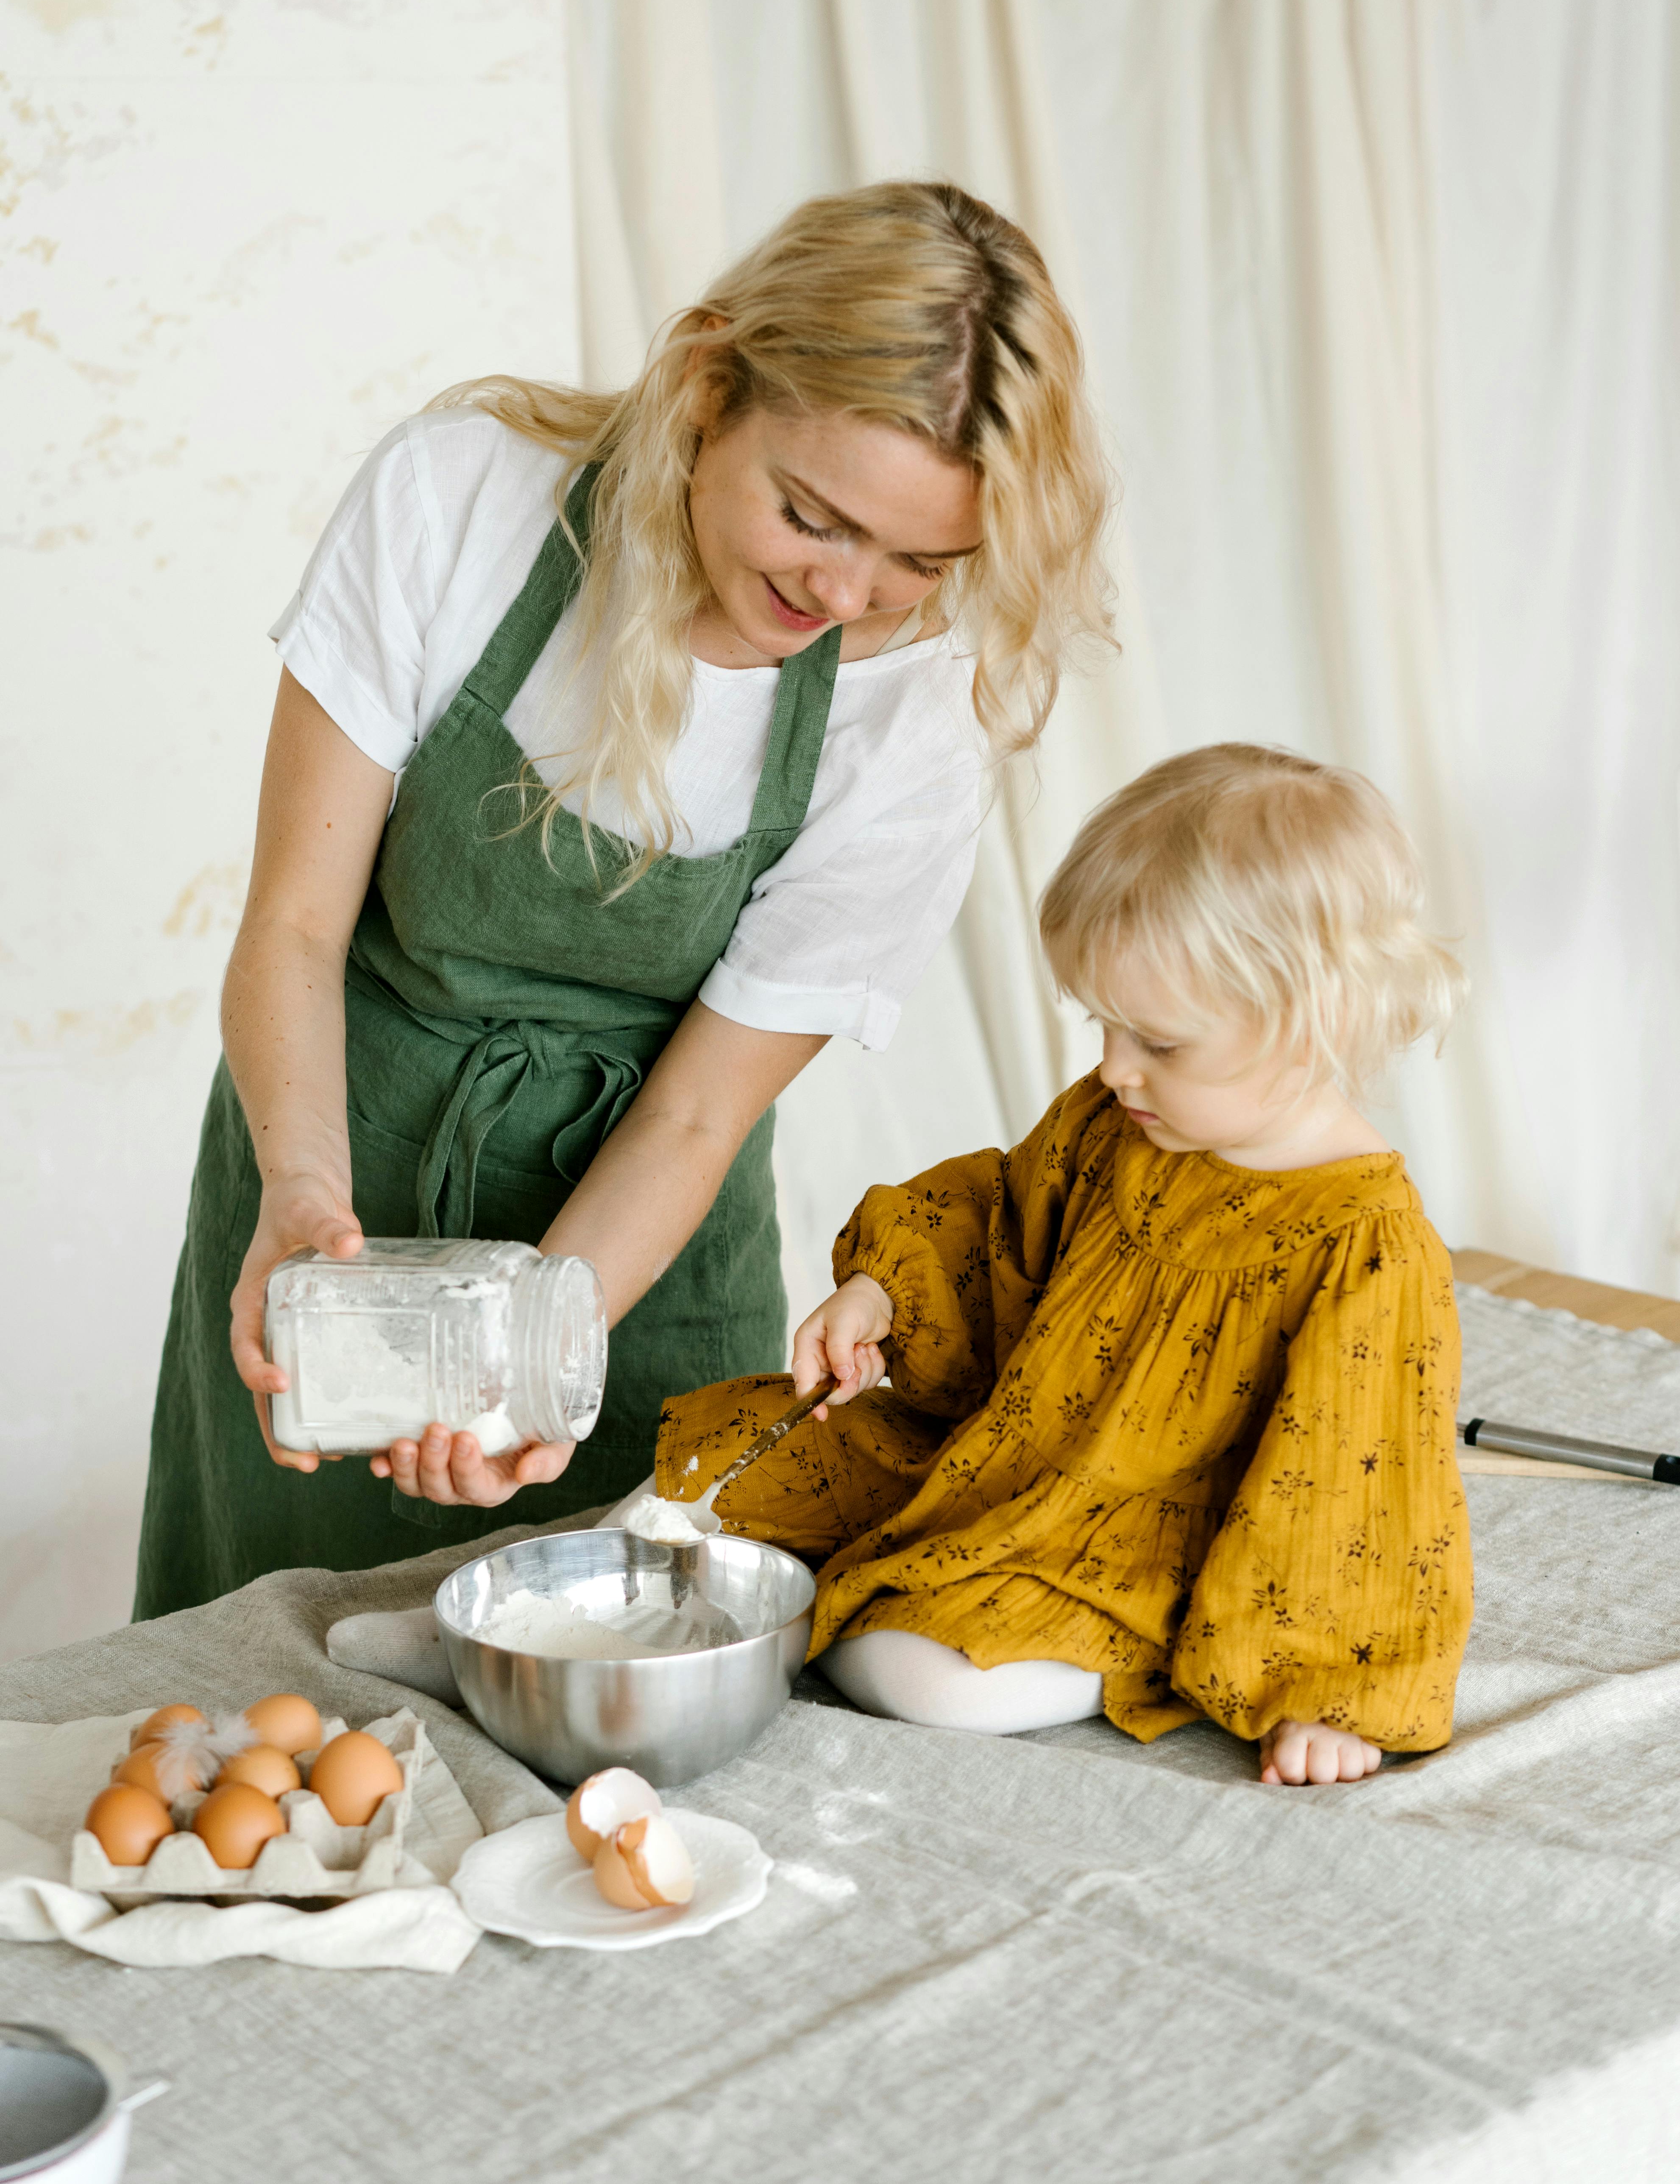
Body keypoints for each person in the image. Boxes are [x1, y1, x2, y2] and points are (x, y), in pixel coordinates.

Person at [133, 181, 1114, 1618]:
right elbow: (292, 924)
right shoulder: (458, 501)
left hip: (641, 1259)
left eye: (920, 564)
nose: (845, 592)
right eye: (810, 515)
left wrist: (541, 1346)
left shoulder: (914, 722)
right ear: (708, 382)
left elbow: (696, 1112)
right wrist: (301, 1198)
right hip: (333, 1176)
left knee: (605, 1692)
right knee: (261, 1700)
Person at [647, 744, 1474, 1785]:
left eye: (1159, 1044)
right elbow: (996, 1216)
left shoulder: (1365, 1246)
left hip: (1140, 1538)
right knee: (709, 1475)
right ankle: (714, 1594)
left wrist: (1329, 1691)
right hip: (997, 1454)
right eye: (1104, 1025)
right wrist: (879, 1290)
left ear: (1316, 1020)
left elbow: (1365, 1494)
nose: (1115, 1066)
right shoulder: (1122, 1122)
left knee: (937, 1679)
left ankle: (849, 1611)